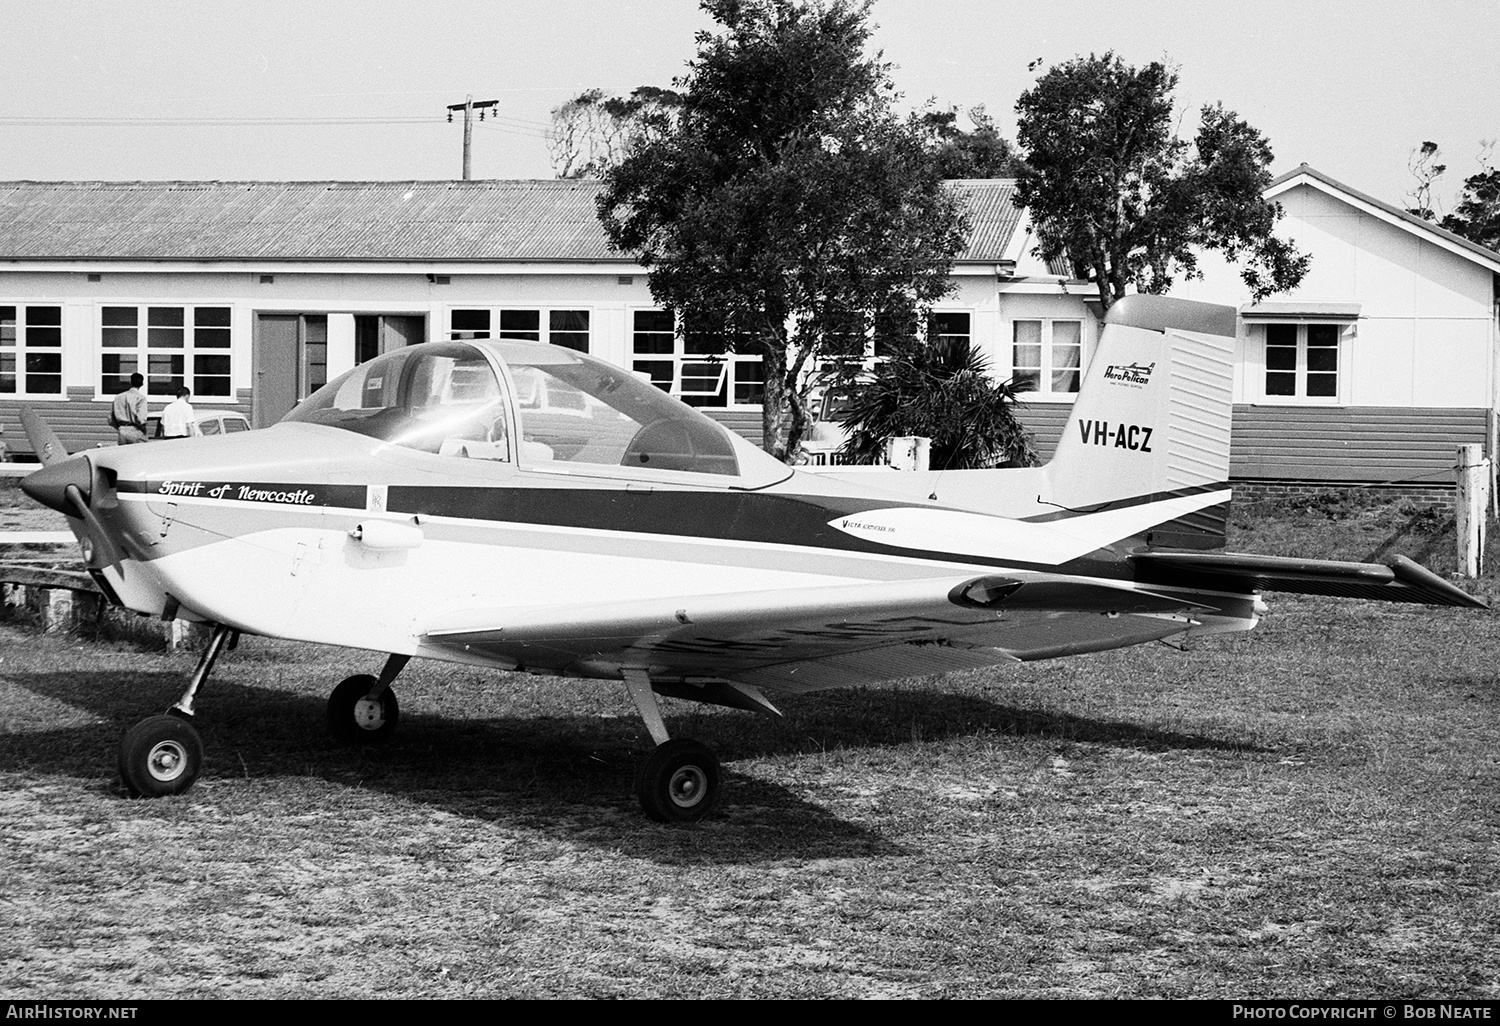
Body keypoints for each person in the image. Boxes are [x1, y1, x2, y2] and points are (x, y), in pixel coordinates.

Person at [110, 373, 149, 445]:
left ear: (130, 382)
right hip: (135, 429)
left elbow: (111, 419)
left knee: (123, 454)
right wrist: (144, 431)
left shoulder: (118, 397)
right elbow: (141, 418)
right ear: (142, 383)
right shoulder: (140, 398)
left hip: (122, 430)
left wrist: (119, 428)